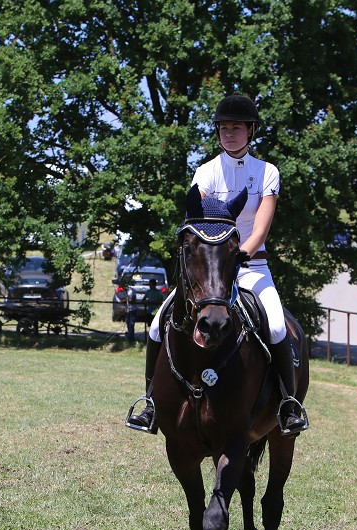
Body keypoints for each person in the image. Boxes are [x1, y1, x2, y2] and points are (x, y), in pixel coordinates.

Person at [126, 93, 307, 435]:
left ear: (251, 131)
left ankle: (287, 404)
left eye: (236, 128)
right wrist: (218, 263)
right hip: (209, 273)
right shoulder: (205, 172)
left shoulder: (267, 172)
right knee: (154, 325)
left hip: (252, 268)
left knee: (279, 327)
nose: (229, 134)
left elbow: (262, 226)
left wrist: (239, 258)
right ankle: (150, 403)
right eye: (223, 128)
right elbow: (202, 224)